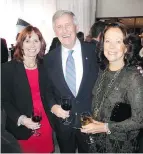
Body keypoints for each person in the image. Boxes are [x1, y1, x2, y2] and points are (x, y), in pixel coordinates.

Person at [81, 22, 143, 153]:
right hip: (97, 143)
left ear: (126, 47)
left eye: (118, 41)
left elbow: (139, 120)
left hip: (119, 146)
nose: (112, 46)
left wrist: (105, 127)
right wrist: (94, 121)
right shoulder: (102, 71)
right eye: (108, 41)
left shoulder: (133, 77)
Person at [43, 10, 99, 153]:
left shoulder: (94, 52)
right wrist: (52, 106)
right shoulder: (49, 59)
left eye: (68, 25)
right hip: (63, 123)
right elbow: (47, 89)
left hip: (90, 121)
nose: (64, 31)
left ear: (76, 27)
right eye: (59, 27)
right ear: (55, 30)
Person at [1, 25, 54, 153]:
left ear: (41, 44)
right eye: (27, 40)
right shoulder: (7, 69)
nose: (32, 45)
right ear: (21, 44)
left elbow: (49, 92)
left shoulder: (45, 66)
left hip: (44, 121)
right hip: (22, 124)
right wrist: (22, 119)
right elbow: (4, 100)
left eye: (36, 41)